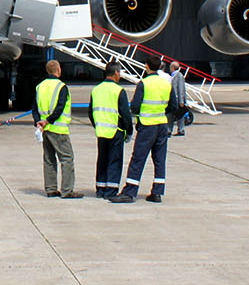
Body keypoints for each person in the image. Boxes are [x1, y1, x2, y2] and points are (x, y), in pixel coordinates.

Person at [111, 60, 174, 204]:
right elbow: (173, 105)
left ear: (147, 66)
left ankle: (130, 192)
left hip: (147, 126)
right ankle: (157, 192)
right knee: (159, 160)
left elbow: (135, 106)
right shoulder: (166, 84)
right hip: (162, 125)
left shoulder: (144, 84)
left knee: (138, 159)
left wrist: (143, 114)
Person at [32, 60, 80, 198]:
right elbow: (60, 107)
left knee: (49, 159)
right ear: (58, 70)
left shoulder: (40, 86)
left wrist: (38, 122)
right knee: (67, 158)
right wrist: (49, 121)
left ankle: (51, 189)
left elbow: (34, 108)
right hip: (58, 129)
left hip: (45, 130)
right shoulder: (61, 87)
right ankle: (67, 190)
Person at [87, 62, 134, 198]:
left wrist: (97, 125)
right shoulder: (118, 90)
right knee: (114, 160)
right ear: (116, 73)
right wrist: (129, 130)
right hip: (115, 130)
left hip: (101, 131)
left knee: (102, 159)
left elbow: (90, 112)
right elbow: (125, 114)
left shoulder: (96, 89)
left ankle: (100, 188)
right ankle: (111, 190)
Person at [168, 60, 189, 137]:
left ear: (173, 67)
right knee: (171, 115)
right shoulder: (172, 75)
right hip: (173, 99)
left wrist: (181, 101)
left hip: (177, 99)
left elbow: (180, 88)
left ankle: (180, 130)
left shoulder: (179, 76)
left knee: (179, 115)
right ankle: (169, 130)